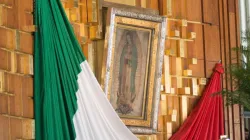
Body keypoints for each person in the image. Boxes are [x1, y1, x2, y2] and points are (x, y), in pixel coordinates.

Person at [116, 31, 138, 115]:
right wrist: (125, 58)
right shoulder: (125, 47)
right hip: (124, 68)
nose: (128, 40)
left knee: (129, 83)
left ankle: (128, 99)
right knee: (123, 82)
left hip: (130, 69)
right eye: (127, 38)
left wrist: (130, 59)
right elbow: (122, 58)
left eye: (129, 38)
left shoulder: (134, 48)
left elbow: (135, 60)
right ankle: (122, 98)